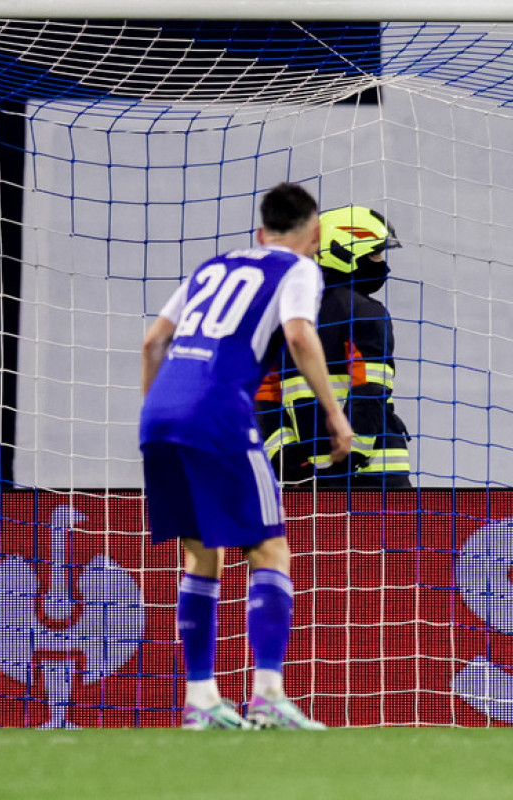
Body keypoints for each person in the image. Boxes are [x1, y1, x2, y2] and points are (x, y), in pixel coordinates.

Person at [140, 182, 354, 730]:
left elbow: (151, 343)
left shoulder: (213, 266)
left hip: (161, 410)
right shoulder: (299, 269)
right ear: (316, 234)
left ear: (260, 233)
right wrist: (333, 412)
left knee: (200, 553)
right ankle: (267, 696)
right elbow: (300, 334)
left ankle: (201, 701)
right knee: (269, 546)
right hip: (217, 407)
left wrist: (158, 410)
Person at [258, 204, 411, 489]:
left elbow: (264, 399)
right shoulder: (366, 313)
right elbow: (369, 391)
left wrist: (285, 460)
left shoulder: (281, 317)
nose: (383, 264)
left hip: (303, 483)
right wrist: (347, 459)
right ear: (343, 252)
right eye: (374, 254)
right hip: (375, 480)